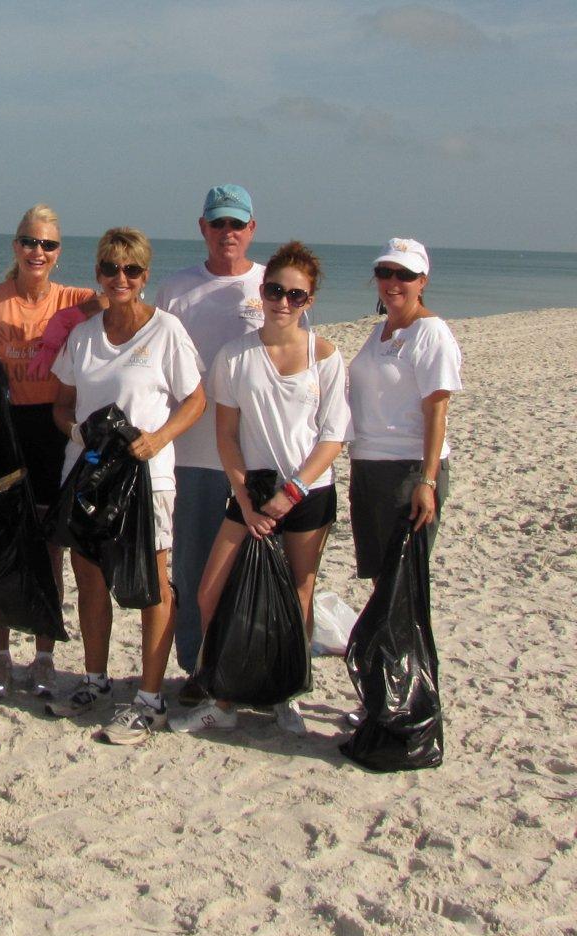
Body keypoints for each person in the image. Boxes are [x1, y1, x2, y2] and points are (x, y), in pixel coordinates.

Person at [171, 241, 350, 736]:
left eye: (296, 295)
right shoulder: (235, 355)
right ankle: (221, 694)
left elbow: (332, 436)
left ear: (309, 301)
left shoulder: (327, 357)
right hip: (251, 493)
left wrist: (291, 493)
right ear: (263, 289)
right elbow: (226, 434)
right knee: (210, 594)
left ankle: (285, 693)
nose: (283, 302)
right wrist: (246, 497)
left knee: (298, 599)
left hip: (308, 493)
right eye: (276, 290)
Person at [45, 227, 205, 746]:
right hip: (88, 474)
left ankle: (150, 699)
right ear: (98, 273)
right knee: (89, 577)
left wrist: (158, 439)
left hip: (146, 476)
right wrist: (75, 431)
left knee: (150, 583)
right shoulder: (84, 334)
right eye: (110, 268)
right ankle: (95, 681)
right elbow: (61, 403)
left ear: (144, 276)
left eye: (131, 270)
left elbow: (195, 401)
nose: (120, 278)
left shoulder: (166, 331)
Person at [0, 204, 95, 700]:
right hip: (3, 430)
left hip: (55, 431)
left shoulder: (78, 299)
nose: (37, 251)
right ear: (15, 245)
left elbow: (126, 307)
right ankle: (1, 660)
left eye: (47, 244)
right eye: (29, 242)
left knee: (49, 551)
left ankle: (44, 656)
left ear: (59, 253)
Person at [153, 185, 265, 703]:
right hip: (192, 456)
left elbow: (296, 361)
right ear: (203, 228)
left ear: (252, 229)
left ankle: (247, 667)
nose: (228, 234)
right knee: (194, 569)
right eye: (218, 224)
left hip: (258, 457)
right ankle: (197, 667)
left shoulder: (274, 288)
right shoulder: (176, 289)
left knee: (252, 570)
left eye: (236, 224)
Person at [348, 238, 461, 582]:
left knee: (403, 581)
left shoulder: (432, 333)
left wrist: (426, 480)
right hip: (368, 466)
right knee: (382, 579)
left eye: (405, 274)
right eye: (385, 272)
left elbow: (437, 410)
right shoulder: (380, 331)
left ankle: (403, 639)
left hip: (408, 469)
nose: (392, 282)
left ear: (422, 281)